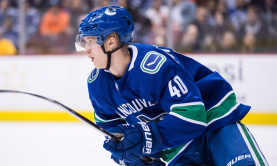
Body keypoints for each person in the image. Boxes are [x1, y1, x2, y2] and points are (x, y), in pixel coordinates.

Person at [76, 6, 268, 166]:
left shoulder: (152, 66)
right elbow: (113, 130)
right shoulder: (98, 86)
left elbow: (193, 115)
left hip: (215, 124)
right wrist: (136, 159)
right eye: (84, 42)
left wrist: (147, 138)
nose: (86, 49)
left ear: (111, 41)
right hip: (176, 147)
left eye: (91, 41)